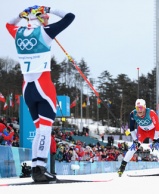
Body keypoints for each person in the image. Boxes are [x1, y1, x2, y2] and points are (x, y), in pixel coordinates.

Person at [6, 5, 75, 182]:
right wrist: (50, 8)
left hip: (27, 87)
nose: (47, 18)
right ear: (39, 18)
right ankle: (39, 168)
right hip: (43, 85)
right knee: (45, 130)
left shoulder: (18, 33)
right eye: (44, 16)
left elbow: (8, 24)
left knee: (39, 130)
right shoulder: (45, 33)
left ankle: (37, 168)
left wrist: (21, 15)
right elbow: (69, 16)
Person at [117, 99, 159, 177]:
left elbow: (158, 127)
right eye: (137, 108)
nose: (139, 110)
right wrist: (135, 140)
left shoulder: (151, 113)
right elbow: (131, 128)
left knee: (158, 146)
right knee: (133, 147)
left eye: (141, 108)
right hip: (142, 131)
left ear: (145, 107)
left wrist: (155, 140)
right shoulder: (132, 114)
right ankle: (122, 168)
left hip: (153, 131)